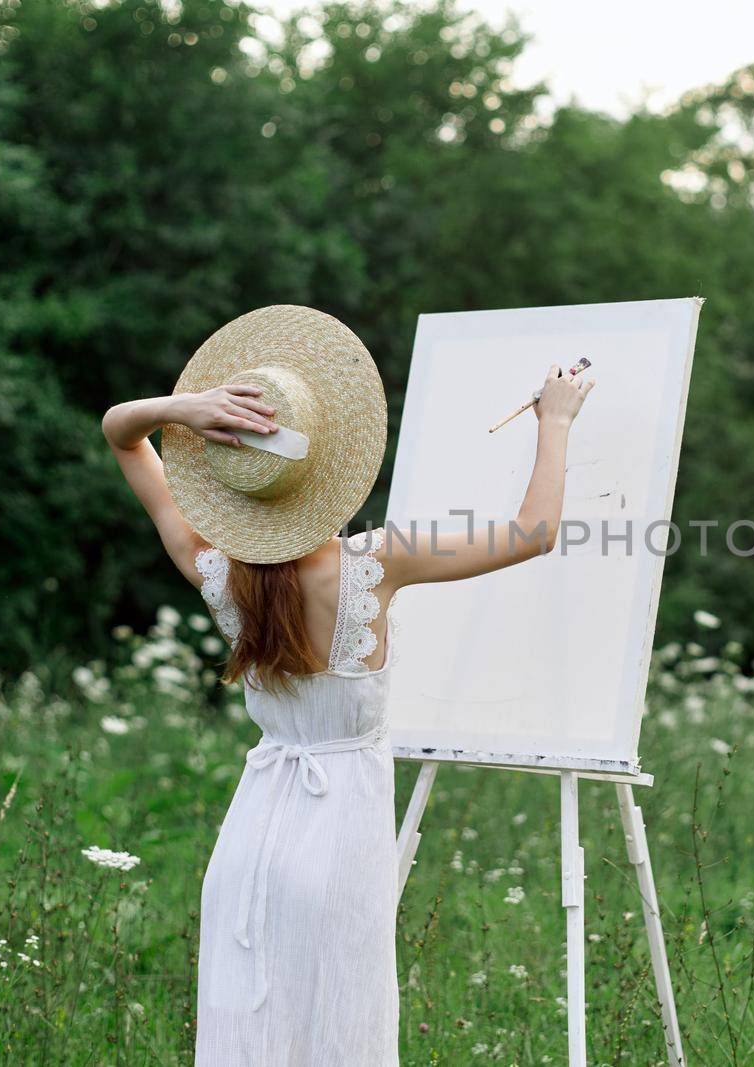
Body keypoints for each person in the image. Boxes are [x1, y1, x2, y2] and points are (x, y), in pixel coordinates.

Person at [99, 305, 594, 1064]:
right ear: (328, 469)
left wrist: (183, 411)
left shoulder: (211, 568)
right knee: (340, 1033)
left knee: (249, 1036)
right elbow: (534, 531)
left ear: (232, 483)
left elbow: (119, 430)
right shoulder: (374, 562)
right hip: (338, 846)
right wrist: (555, 419)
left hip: (249, 843)